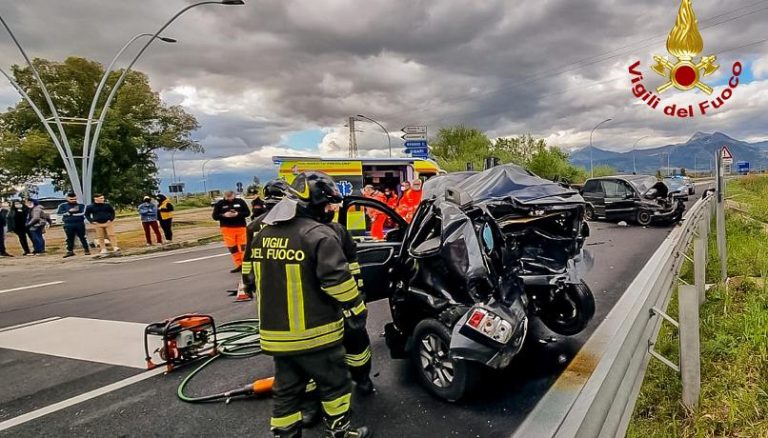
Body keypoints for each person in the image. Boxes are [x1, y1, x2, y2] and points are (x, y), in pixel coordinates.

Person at [252, 171, 370, 438]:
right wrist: (357, 308)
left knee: (287, 388)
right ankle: (340, 430)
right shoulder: (318, 235)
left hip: (276, 334)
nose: (331, 210)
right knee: (334, 384)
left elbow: (256, 281)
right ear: (315, 203)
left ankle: (286, 433)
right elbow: (338, 282)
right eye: (328, 204)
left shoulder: (264, 234)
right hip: (315, 332)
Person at [242, 180, 289, 299]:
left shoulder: (253, 225)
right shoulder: (295, 222)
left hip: (263, 280)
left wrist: (247, 282)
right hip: (291, 279)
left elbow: (248, 257)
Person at [212, 190, 250, 273]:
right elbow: (215, 216)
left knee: (243, 248)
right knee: (233, 248)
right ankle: (239, 265)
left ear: (234, 195)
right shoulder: (220, 204)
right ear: (224, 196)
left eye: (230, 197)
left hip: (240, 227)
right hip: (227, 229)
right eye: (227, 197)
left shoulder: (240, 202)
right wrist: (224, 215)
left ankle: (246, 265)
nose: (229, 199)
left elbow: (247, 213)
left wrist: (237, 214)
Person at [56, 193, 90, 258]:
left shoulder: (81, 205)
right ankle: (70, 251)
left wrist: (72, 214)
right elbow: (59, 213)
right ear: (67, 198)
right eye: (71, 199)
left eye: (75, 199)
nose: (73, 200)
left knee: (82, 237)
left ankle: (86, 250)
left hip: (79, 223)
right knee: (69, 238)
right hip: (68, 224)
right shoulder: (62, 205)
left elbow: (82, 213)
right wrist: (68, 212)